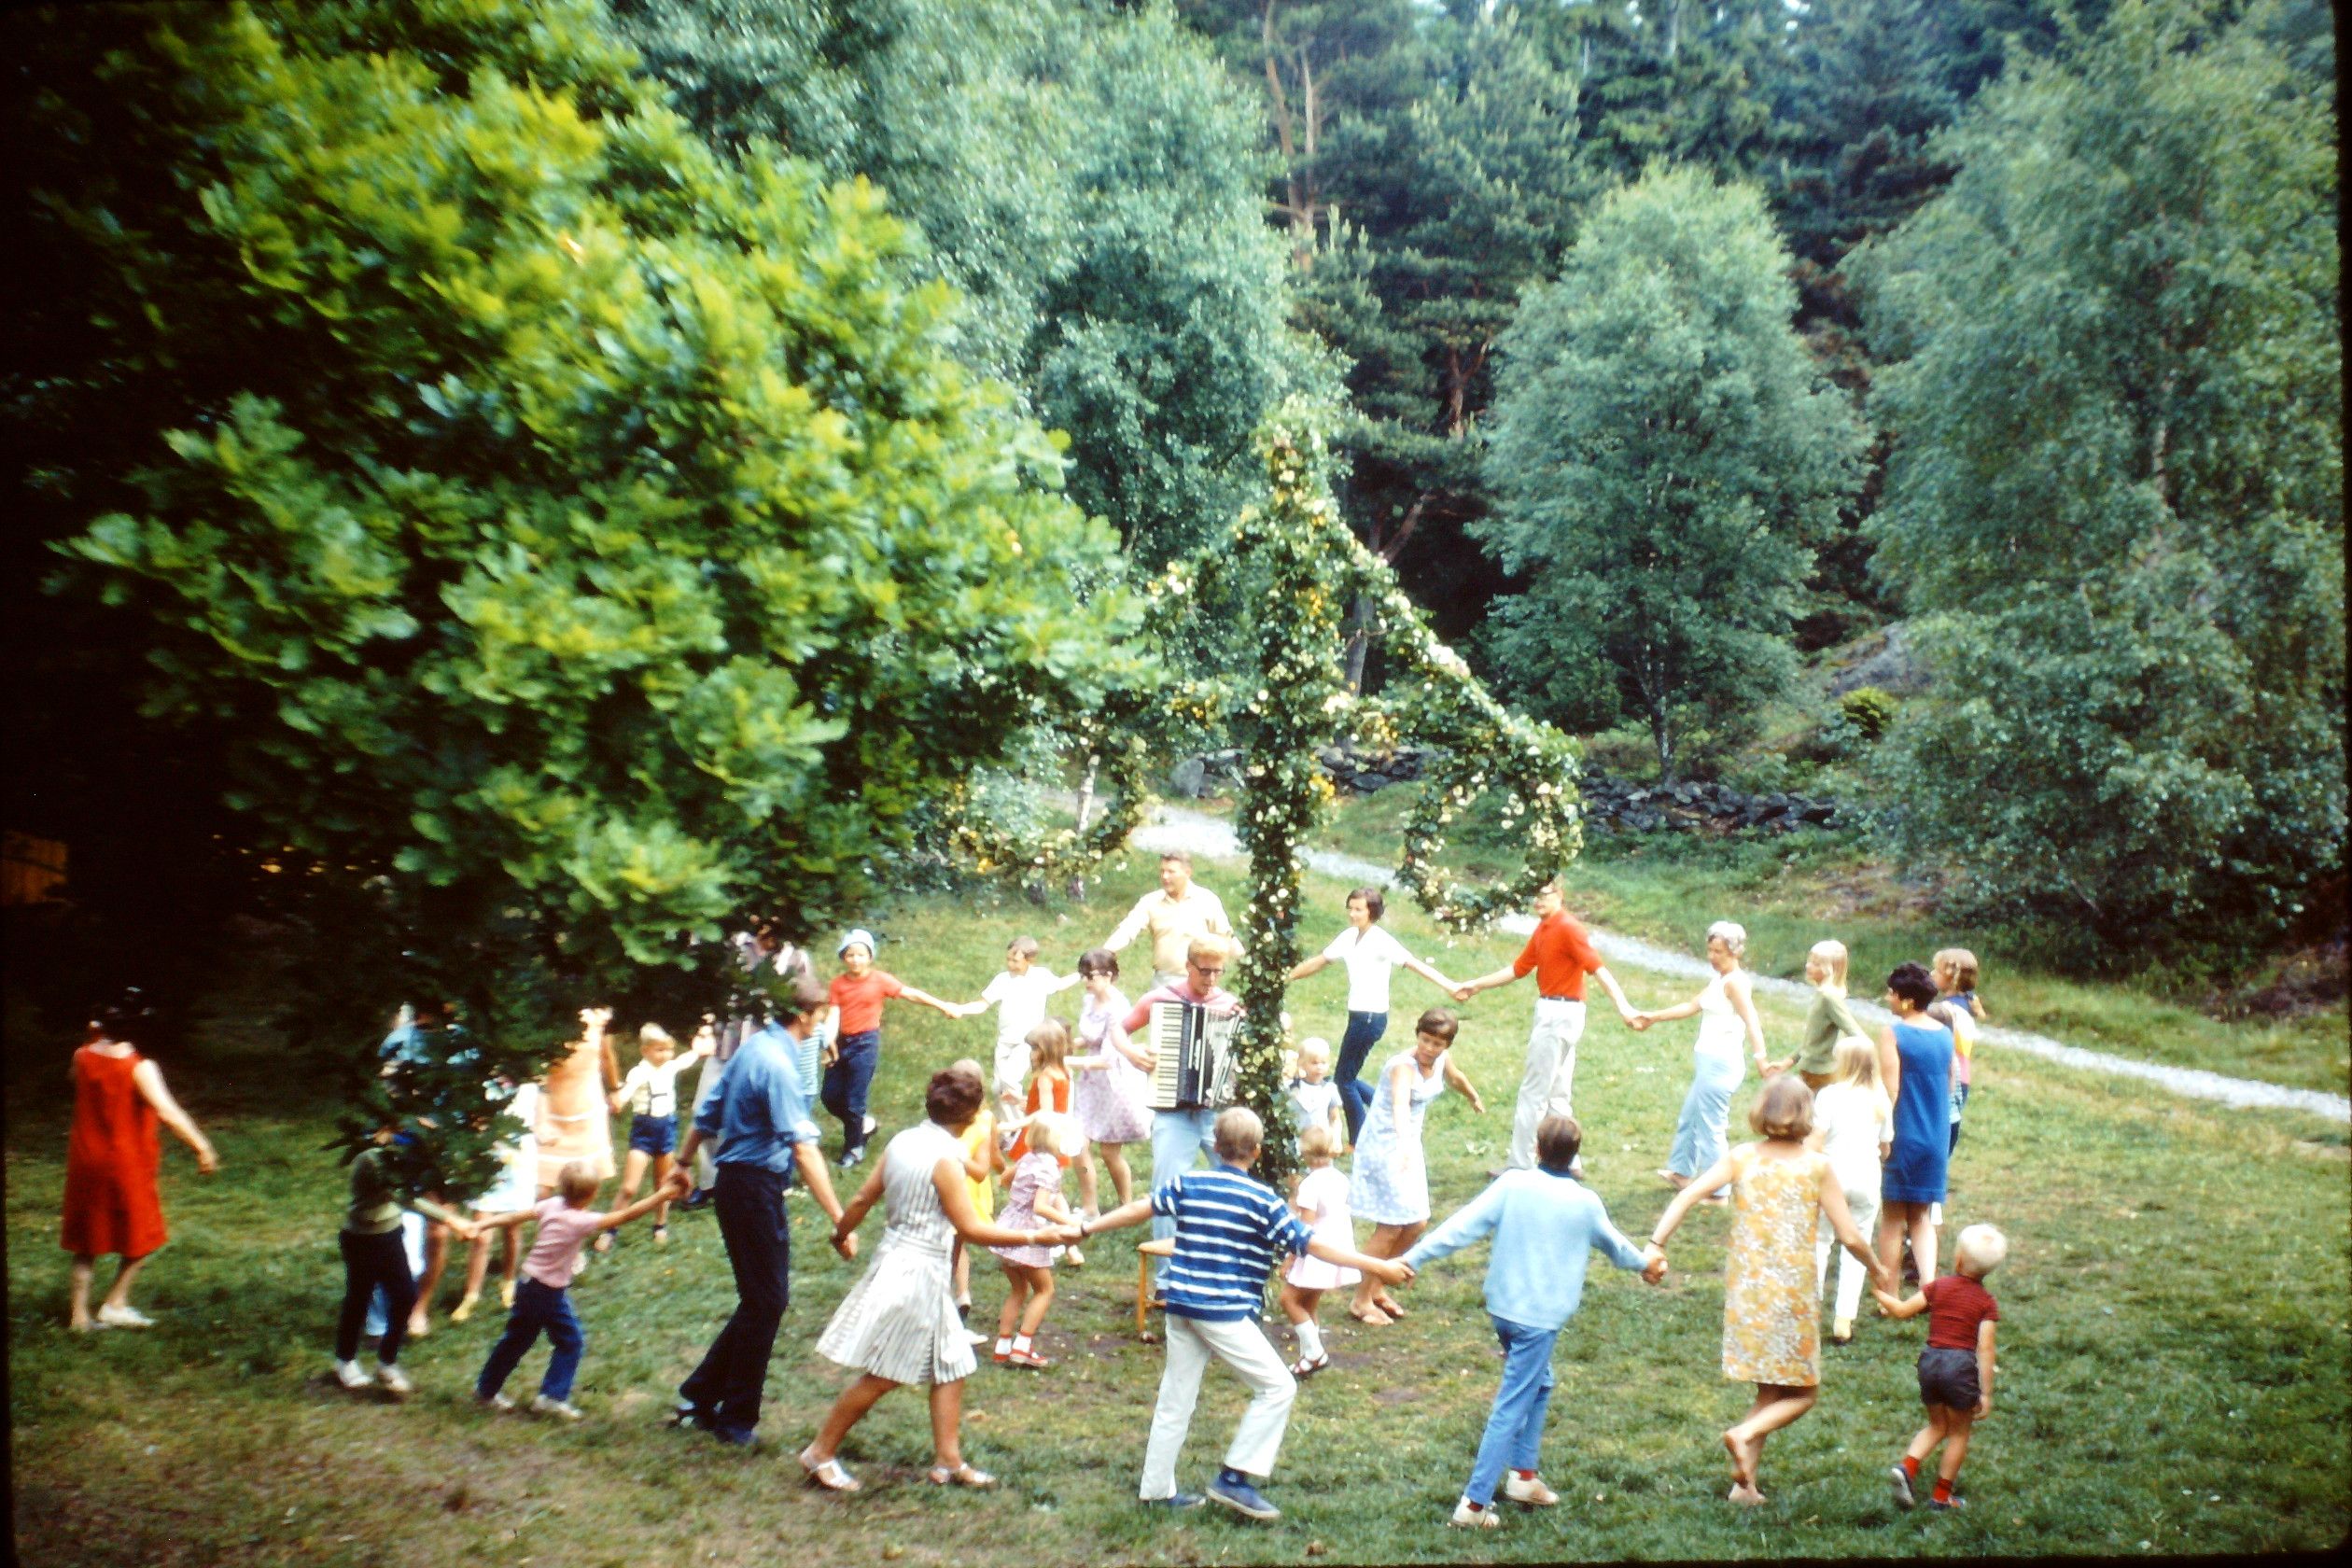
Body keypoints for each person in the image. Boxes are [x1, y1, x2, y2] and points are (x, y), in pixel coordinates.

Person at [1085, 1107, 1411, 1520]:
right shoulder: (1263, 1200)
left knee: (1176, 1397)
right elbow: (1310, 1244)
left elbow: (1141, 1209)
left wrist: (1084, 1230)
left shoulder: (1190, 1182)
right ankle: (1234, 1479)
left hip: (1181, 1304)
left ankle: (1155, 1490)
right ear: (1256, 1152)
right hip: (1221, 1310)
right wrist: (1378, 1266)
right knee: (1278, 1387)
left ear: (1216, 1147)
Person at [800, 1067, 1080, 1492]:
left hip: (900, 1260)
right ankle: (819, 1452)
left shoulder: (902, 1141)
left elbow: (861, 1198)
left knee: (952, 1364)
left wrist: (841, 1233)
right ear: (970, 1117)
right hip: (916, 1271)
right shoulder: (945, 1161)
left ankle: (948, 1461)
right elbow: (972, 1229)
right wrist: (1035, 1234)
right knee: (885, 1373)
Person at [1399, 1114, 1665, 1528]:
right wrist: (1648, 1264)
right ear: (1576, 1157)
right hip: (1538, 1322)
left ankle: (1524, 1476)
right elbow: (1618, 1247)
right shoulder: (1585, 1202)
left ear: (1537, 1149)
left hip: (1502, 1312)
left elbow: (1460, 1227)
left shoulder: (1511, 1184)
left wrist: (1412, 1257)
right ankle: (1472, 1504)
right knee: (1512, 1404)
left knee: (1541, 1382)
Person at [1643, 1076, 1887, 1505]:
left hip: (1746, 1292)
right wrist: (1878, 1267)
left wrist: (1656, 1243)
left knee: (1769, 1390)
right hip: (1791, 1293)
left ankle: (1744, 1488)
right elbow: (1849, 1236)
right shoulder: (1817, 1166)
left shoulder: (1741, 1157)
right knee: (1804, 1393)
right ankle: (1745, 1432)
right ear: (1806, 1116)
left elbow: (1688, 1196)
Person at [672, 973, 853, 1448]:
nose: (822, 1023)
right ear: (807, 1016)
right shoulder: (778, 1066)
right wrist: (841, 1219)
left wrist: (682, 1162)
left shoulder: (753, 1049)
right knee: (768, 1301)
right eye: (821, 1015)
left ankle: (699, 1393)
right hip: (752, 1188)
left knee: (760, 1300)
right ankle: (734, 1419)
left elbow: (708, 1112)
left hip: (736, 1186)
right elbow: (805, 1150)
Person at [470, 1160, 690, 1419]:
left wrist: (480, 1225)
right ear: (592, 1195)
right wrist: (662, 1195)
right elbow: (625, 1216)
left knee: (516, 1340)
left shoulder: (550, 1205)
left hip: (527, 1283)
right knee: (570, 1342)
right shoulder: (580, 1221)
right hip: (547, 1292)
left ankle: (485, 1390)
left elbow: (513, 1217)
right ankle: (552, 1397)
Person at [1451, 879, 1638, 1174]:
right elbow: (1519, 968)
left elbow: (1597, 968)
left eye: (1544, 895)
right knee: (1557, 1093)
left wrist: (1624, 1006)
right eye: (1533, 895)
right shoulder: (1544, 928)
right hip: (1556, 1010)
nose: (1538, 901)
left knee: (1534, 1093)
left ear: (1560, 896)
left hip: (1559, 1013)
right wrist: (1475, 985)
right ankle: (1569, 1161)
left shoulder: (1568, 928)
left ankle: (1520, 1165)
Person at [61, 994, 219, 1332]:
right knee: (144, 1235)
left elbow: (74, 1079)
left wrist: (92, 1039)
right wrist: (201, 1146)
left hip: (86, 1159)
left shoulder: (82, 1055)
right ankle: (115, 1303)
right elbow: (168, 1112)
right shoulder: (139, 1067)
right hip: (124, 1163)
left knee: (86, 1241)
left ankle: (78, 1318)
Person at [1287, 889, 1463, 1143]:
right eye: (1350, 908)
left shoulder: (1381, 940)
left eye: (1359, 909)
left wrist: (1449, 985)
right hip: (1357, 1015)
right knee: (1346, 1077)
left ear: (1372, 912)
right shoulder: (1349, 937)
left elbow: (1414, 964)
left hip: (1371, 1018)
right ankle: (1388, 1109)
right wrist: (1287, 977)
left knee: (1344, 1081)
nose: (1352, 913)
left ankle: (1358, 1140)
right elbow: (1320, 961)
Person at [1346, 1008, 1484, 1327]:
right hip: (1386, 1146)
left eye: (1438, 1043)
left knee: (1417, 1223)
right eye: (1425, 1040)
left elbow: (1455, 1077)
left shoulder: (1440, 1060)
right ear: (1417, 1035)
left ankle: (1379, 1284)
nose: (1430, 1049)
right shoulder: (1402, 1067)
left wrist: (1473, 1096)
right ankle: (1361, 1299)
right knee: (1391, 1225)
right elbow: (1398, 1106)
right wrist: (1404, 1143)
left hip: (1409, 1147)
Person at [1122, 936, 1242, 1289]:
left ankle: (1226, 1263)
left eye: (1218, 972)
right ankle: (1166, 1278)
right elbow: (1118, 1028)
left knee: (1237, 1181)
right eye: (1204, 971)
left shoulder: (1230, 1004)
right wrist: (1132, 1054)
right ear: (1189, 966)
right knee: (1167, 1185)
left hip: (1214, 1112)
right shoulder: (1163, 998)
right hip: (1173, 1109)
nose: (1211, 979)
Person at [1635, 921, 1774, 1202]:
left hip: (1721, 1065)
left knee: (1711, 1126)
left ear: (1734, 952)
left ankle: (1718, 1189)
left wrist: (1762, 1059)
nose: (1712, 957)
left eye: (1719, 952)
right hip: (1708, 1063)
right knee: (1690, 1116)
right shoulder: (1719, 979)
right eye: (1710, 950)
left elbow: (1752, 1022)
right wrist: (1652, 1016)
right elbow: (1691, 1006)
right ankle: (1681, 1171)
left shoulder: (1735, 983)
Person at [332, 1134, 478, 1396]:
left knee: (405, 1296)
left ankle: (386, 1363)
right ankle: (345, 1361)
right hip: (362, 1238)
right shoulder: (371, 1160)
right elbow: (405, 1196)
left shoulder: (401, 1157)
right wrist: (452, 1220)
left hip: (390, 1234)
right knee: (359, 1299)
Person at [1876, 1223, 2006, 1512]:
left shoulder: (1939, 1287)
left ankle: (1907, 1468)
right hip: (1959, 1367)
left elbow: (1901, 1310)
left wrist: (1880, 1291)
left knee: (1937, 1425)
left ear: (1958, 1258)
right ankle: (1941, 1497)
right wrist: (1985, 1393)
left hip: (1930, 1361)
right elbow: (1985, 1348)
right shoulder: (1986, 1303)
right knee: (1958, 1432)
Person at [819, 929, 961, 1169]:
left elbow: (910, 994)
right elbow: (833, 1014)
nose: (855, 959)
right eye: (850, 955)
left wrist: (942, 1005)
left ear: (870, 957)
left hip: (865, 1043)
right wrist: (829, 1041)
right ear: (843, 957)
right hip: (842, 1042)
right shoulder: (838, 985)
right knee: (830, 1097)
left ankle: (853, 1148)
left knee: (854, 1100)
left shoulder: (880, 980)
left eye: (861, 954)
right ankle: (864, 1125)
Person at [1808, 1035, 1893, 1344]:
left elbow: (1817, 1138)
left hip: (1831, 1177)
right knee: (1857, 1243)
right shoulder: (1879, 1098)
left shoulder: (1829, 1095)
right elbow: (1886, 1147)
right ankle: (1844, 1318)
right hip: (1866, 1178)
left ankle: (1811, 1312)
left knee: (1819, 1241)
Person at [1876, 962, 1955, 1291]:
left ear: (1907, 1000)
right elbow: (1951, 1085)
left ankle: (1889, 1291)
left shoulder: (1893, 1033)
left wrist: (1883, 1135)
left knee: (1893, 1218)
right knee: (1921, 1218)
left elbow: (1889, 1089)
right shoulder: (1945, 1033)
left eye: (1892, 994)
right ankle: (1929, 1289)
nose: (1888, 998)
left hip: (1903, 1133)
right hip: (1936, 1136)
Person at [601, 1022, 713, 1251]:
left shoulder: (669, 1067)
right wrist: (618, 1100)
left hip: (666, 1128)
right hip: (644, 1130)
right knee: (629, 1187)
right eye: (659, 1050)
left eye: (668, 1050)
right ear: (645, 1051)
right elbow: (627, 1090)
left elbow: (684, 1061)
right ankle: (610, 1228)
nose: (665, 1055)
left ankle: (660, 1225)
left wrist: (698, 1050)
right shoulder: (639, 1072)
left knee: (663, 1184)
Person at [949, 937, 1081, 1126]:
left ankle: (1018, 1129)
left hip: (1027, 1042)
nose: (1010, 964)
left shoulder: (1040, 977)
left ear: (1030, 960)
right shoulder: (1002, 980)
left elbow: (1060, 984)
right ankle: (1008, 1126)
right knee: (998, 1087)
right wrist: (961, 1009)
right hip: (1005, 1041)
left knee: (1009, 1080)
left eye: (1016, 961)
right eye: (1008, 960)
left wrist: (1082, 973)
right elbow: (982, 1004)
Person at [1067, 947, 1152, 1235]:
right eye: (1083, 976)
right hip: (1091, 1085)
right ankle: (1090, 1208)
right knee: (1077, 1145)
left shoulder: (1118, 1008)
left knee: (1109, 1151)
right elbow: (1091, 1038)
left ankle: (1126, 1205)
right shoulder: (1089, 999)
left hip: (1114, 1083)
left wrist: (1064, 1061)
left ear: (1108, 975)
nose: (1086, 982)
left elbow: (1107, 1058)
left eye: (1090, 976)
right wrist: (1065, 1045)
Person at [990, 1110, 1082, 1369]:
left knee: (1018, 1290)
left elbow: (1005, 1179)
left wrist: (1020, 1196)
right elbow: (1041, 1207)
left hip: (1007, 1232)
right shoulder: (1050, 1168)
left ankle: (1003, 1346)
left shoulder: (1028, 1157)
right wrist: (1070, 1222)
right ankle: (1023, 1345)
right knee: (1044, 1290)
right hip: (1029, 1237)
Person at [450, 1070, 539, 1322]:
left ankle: (509, 1282)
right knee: (481, 1234)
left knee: (512, 1229)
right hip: (488, 1161)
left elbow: (537, 1122)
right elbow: (469, 1120)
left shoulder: (530, 1085)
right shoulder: (481, 1083)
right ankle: (471, 1294)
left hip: (519, 1162)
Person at [1276, 1122, 1356, 1378]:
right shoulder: (1340, 1178)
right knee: (1309, 1303)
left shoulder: (1310, 1185)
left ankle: (1314, 1354)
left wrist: (1289, 1260)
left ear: (1305, 1154)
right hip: (1335, 1246)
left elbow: (1305, 1228)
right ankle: (1310, 1354)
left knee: (1288, 1299)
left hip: (1315, 1250)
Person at [1103, 851, 1233, 990]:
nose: (1165, 877)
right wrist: (1105, 951)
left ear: (1187, 873)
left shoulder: (1207, 900)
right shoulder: (1150, 901)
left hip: (1199, 982)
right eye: (1162, 871)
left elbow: (1225, 938)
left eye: (1171, 872)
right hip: (1163, 982)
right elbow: (1128, 929)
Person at [536, 1006, 621, 1192]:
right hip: (550, 1107)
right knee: (543, 1189)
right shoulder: (544, 1013)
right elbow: (537, 1073)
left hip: (587, 1107)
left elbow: (607, 1055)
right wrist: (541, 1121)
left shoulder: (598, 1014)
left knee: (584, 1183)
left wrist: (615, 1090)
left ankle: (576, 1220)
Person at [945, 1057, 1001, 1336]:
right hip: (975, 1193)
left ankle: (951, 1294)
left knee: (953, 1244)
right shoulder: (987, 1118)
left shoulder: (948, 1120)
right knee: (961, 1242)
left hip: (955, 1186)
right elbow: (994, 1157)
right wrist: (1006, 1172)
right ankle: (962, 1294)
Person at [1783, 939, 1869, 1091]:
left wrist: (1853, 1065)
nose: (1808, 966)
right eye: (1810, 961)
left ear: (1830, 969)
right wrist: (1788, 1062)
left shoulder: (1829, 997)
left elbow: (1856, 1034)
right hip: (1809, 1070)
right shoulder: (1821, 994)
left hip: (1822, 1074)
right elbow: (1812, 1038)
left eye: (1816, 964)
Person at [1933, 949, 1986, 1154]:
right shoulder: (1967, 1004)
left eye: (1936, 971)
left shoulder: (1948, 1010)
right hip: (1963, 1076)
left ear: (1950, 978)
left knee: (1942, 1131)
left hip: (1950, 1077)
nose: (1931, 975)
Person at [1282, 1038, 1346, 1152]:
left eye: (1323, 1063)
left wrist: (1336, 1140)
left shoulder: (1329, 1090)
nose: (1319, 1067)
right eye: (1314, 1063)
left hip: (1321, 1145)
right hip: (1296, 1145)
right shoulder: (1291, 1088)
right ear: (1301, 1064)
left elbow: (1335, 1119)